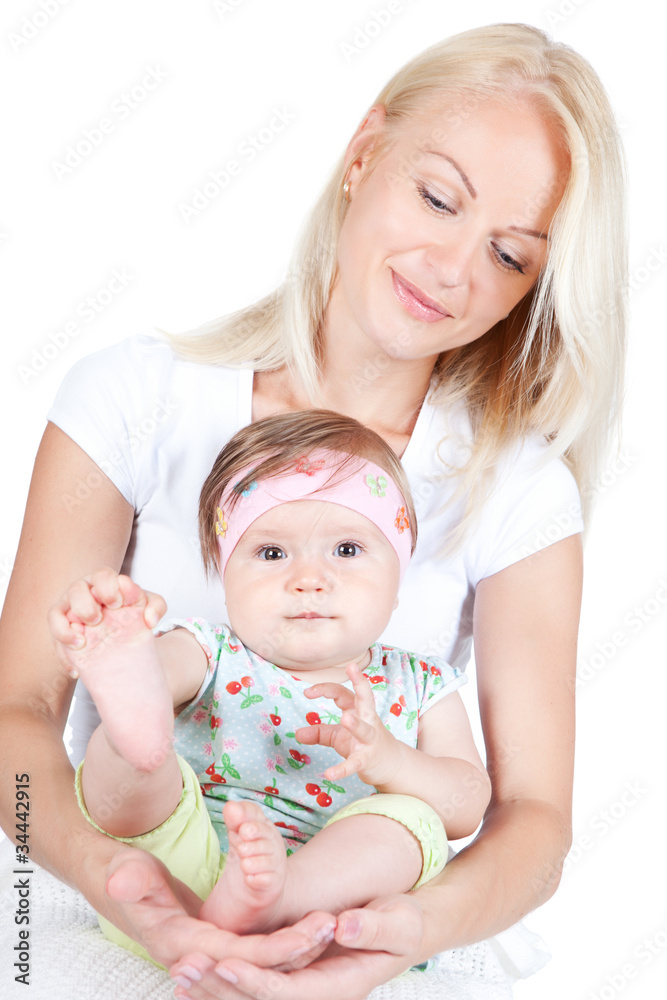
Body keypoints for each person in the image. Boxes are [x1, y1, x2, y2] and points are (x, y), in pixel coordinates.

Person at [0, 21, 626, 1000]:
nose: (452, 268)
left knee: (399, 823)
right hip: (136, 876)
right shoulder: (135, 399)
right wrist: (113, 876)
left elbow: (533, 821)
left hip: (359, 918)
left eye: (508, 255)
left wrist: (405, 930)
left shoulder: (515, 490)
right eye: (437, 199)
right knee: (134, 757)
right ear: (363, 154)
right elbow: (16, 717)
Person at [49, 411, 490, 972]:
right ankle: (129, 721)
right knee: (131, 749)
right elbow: (162, 671)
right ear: (226, 579)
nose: (308, 579)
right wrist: (132, 664)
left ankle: (278, 897)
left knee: (414, 823)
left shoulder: (420, 685)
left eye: (346, 550)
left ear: (398, 577)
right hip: (179, 876)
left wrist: (391, 760)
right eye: (272, 553)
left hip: (327, 900)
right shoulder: (209, 650)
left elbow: (465, 805)